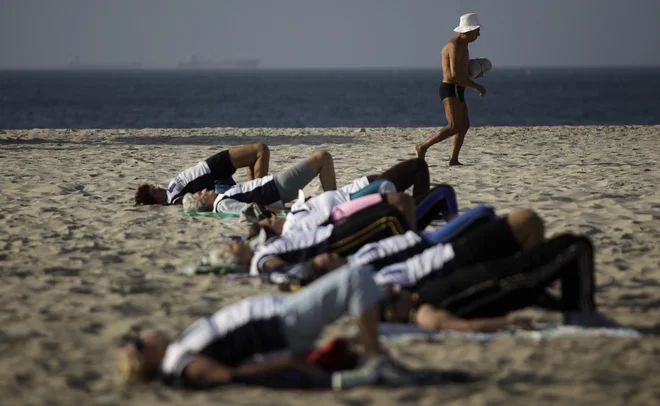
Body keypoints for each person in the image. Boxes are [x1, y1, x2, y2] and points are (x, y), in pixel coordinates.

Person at [117, 263, 422, 390]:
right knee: (356, 277)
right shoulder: (180, 363)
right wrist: (291, 364)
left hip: (283, 320)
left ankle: (373, 351)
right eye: (139, 341)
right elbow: (232, 375)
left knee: (352, 284)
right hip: (284, 327)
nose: (145, 335)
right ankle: (376, 358)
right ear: (149, 354)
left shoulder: (178, 351)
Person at [415, 13, 486, 166]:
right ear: (468, 31)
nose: (479, 34)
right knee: (454, 126)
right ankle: (422, 147)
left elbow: (461, 72)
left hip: (459, 89)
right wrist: (476, 86)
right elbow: (453, 75)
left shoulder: (464, 46)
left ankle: (453, 159)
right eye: (477, 31)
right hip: (450, 88)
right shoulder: (453, 46)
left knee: (464, 124)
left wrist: (474, 75)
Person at [182, 151, 337, 215]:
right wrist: (284, 211)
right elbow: (251, 210)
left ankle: (334, 201)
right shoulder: (222, 205)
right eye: (200, 194)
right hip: (278, 186)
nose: (203, 190)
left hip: (276, 185)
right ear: (203, 204)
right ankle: (335, 202)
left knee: (322, 159)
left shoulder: (221, 198)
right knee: (322, 157)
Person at [135, 143, 270, 205]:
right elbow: (191, 202)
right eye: (154, 192)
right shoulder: (173, 198)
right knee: (260, 150)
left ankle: (256, 193)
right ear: (157, 202)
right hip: (212, 169)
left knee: (252, 158)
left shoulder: (170, 189)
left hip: (212, 171)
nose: (157, 188)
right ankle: (261, 195)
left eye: (153, 186)